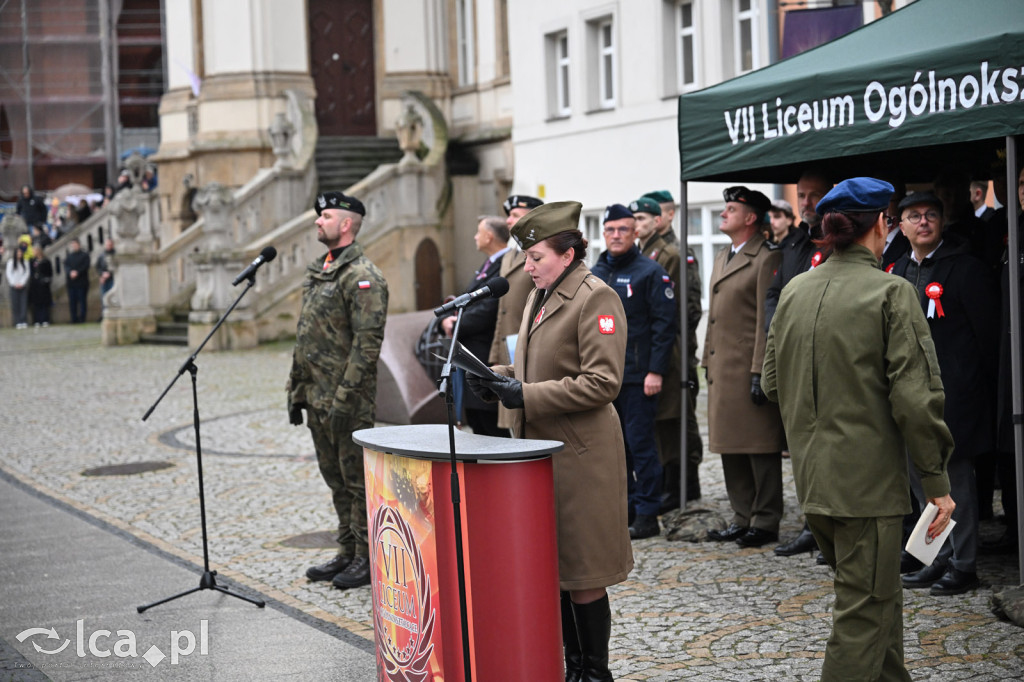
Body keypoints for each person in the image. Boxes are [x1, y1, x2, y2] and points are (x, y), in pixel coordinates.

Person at [763, 177, 955, 681]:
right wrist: (937, 484)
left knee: (875, 600)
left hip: (815, 483)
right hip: (867, 487)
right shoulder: (892, 291)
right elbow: (916, 399)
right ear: (880, 225)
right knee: (864, 612)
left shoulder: (796, 289)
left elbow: (771, 381)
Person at [468, 201, 632, 682]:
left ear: (568, 252)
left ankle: (594, 673)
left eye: (537, 256)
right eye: (526, 257)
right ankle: (572, 668)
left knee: (582, 571)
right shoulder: (540, 294)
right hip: (540, 452)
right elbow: (535, 365)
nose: (529, 266)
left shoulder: (594, 297)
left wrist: (525, 394)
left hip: (581, 455)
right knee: (554, 571)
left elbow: (603, 383)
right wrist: (497, 377)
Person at [890, 190, 997, 596]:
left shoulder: (965, 269)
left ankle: (964, 564)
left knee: (955, 485)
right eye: (913, 216)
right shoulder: (896, 269)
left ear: (942, 221)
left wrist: (974, 389)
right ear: (900, 226)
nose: (922, 222)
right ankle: (934, 557)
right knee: (920, 481)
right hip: (908, 395)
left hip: (955, 394)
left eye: (930, 214)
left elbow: (987, 338)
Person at [288, 191, 388, 590]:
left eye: (325, 215)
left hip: (347, 401)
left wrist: (345, 397)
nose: (317, 221)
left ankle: (366, 557)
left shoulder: (362, 276)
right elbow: (305, 337)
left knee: (357, 482)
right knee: (335, 480)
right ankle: (346, 552)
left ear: (346, 224)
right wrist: (295, 391)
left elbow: (368, 344)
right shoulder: (320, 271)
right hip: (316, 398)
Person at [704, 186, 785, 548]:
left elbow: (765, 321)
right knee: (729, 445)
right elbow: (715, 318)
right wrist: (705, 359)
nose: (724, 213)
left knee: (759, 446)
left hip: (747, 367)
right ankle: (742, 516)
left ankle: (765, 519)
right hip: (722, 367)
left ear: (751, 218)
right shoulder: (723, 255)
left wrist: (759, 371)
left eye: (731, 208)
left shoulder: (766, 257)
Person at [591, 203, 676, 540]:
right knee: (613, 450)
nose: (616, 235)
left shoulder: (650, 272)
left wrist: (656, 371)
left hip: (639, 377)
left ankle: (647, 514)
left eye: (623, 229)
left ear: (636, 232)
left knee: (640, 445)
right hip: (603, 377)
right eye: (610, 230)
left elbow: (664, 327)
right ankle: (623, 507)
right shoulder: (595, 272)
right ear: (603, 233)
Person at [633, 196, 703, 508]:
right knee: (659, 421)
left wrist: (683, 351)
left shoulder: (670, 253)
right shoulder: (642, 252)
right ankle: (666, 487)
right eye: (634, 219)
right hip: (651, 349)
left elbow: (685, 307)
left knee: (674, 421)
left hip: (671, 349)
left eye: (642, 219)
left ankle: (680, 488)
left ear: (658, 219)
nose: (636, 225)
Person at [440, 216, 510, 437]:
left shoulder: (504, 264)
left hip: (486, 352)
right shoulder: (488, 263)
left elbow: (490, 308)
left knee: (490, 428)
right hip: (472, 351)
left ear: (489, 236)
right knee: (477, 424)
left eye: (479, 232)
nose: (475, 237)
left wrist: (456, 323)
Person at [488, 194, 544, 431]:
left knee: (529, 422)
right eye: (508, 215)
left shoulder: (540, 252)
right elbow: (503, 309)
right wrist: (495, 353)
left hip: (530, 349)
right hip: (507, 350)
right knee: (510, 425)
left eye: (515, 215)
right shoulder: (510, 254)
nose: (508, 220)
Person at [64, 238, 91, 323]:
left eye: (75, 244)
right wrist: (70, 272)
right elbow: (66, 266)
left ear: (79, 245)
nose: (74, 246)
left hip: (81, 282)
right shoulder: (69, 256)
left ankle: (82, 318)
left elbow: (85, 266)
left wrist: (77, 272)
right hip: (71, 283)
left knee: (82, 301)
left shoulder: (84, 255)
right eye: (73, 245)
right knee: (72, 302)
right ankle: (74, 318)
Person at [6, 241, 31, 329]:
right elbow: (9, 274)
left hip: (22, 286)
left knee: (23, 304)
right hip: (14, 286)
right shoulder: (11, 262)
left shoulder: (25, 262)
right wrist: (14, 283)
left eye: (20, 252)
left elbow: (26, 273)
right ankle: (18, 321)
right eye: (18, 252)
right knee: (15, 304)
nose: (19, 254)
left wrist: (22, 283)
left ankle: (23, 320)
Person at [28, 246, 53, 327]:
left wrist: (45, 280)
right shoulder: (32, 261)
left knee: (44, 304)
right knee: (36, 304)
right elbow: (31, 273)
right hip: (35, 286)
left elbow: (49, 273)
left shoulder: (46, 261)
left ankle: (45, 319)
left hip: (44, 286)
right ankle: (37, 320)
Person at [95, 239, 116, 314]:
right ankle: (105, 313)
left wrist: (109, 273)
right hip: (104, 280)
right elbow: (98, 267)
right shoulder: (101, 255)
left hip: (113, 279)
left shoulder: (115, 254)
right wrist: (102, 275)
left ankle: (113, 312)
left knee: (113, 298)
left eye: (110, 245)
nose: (108, 246)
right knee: (103, 298)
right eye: (107, 245)